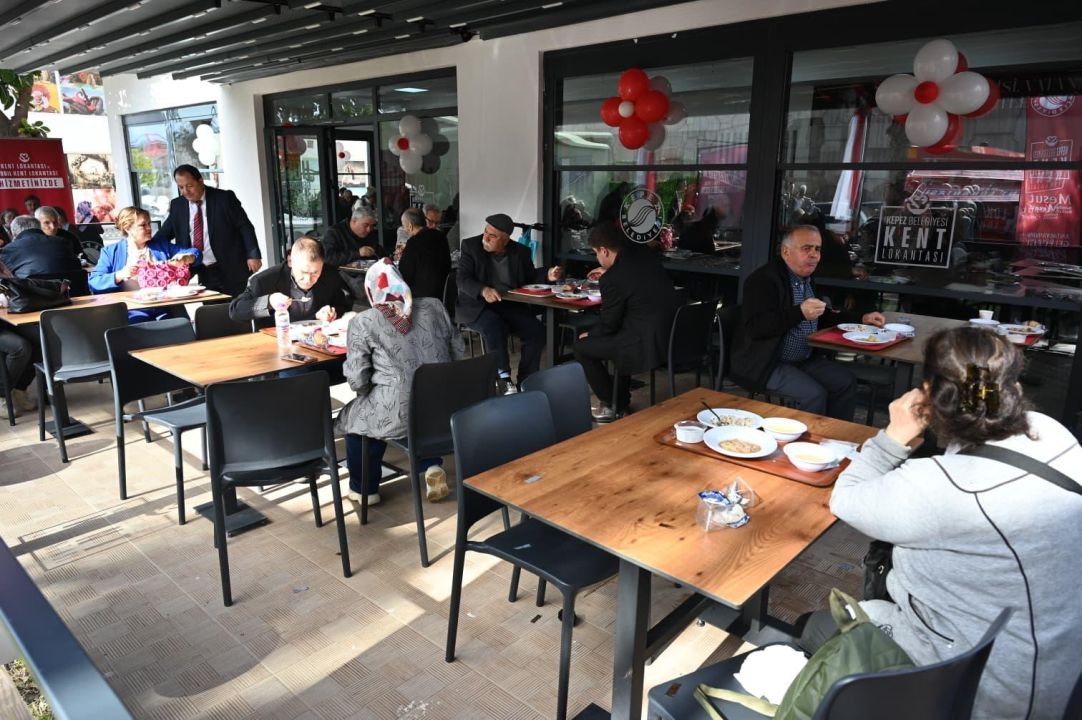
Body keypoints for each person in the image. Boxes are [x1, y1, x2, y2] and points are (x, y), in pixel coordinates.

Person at [820, 327, 1082, 719]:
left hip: (984, 686)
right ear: (1012, 386)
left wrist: (894, 436)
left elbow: (846, 499)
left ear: (927, 392)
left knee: (821, 624)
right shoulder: (1052, 433)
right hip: (1057, 664)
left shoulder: (942, 486)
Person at [335, 259, 465, 505]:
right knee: (414, 416)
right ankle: (431, 465)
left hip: (400, 407)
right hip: (444, 401)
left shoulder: (363, 321)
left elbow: (357, 380)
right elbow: (458, 349)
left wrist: (371, 391)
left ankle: (365, 491)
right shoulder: (434, 306)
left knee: (359, 423)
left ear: (371, 291)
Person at [730, 225, 885, 420]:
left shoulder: (807, 279)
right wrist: (799, 313)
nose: (814, 255)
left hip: (803, 358)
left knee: (845, 382)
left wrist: (862, 318)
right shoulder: (763, 281)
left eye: (817, 249)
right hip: (767, 362)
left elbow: (824, 316)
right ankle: (810, 438)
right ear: (786, 252)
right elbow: (756, 327)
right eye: (806, 248)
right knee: (814, 394)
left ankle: (834, 434)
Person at [573, 223, 679, 421]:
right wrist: (610, 273)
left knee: (582, 346)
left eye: (596, 253)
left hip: (643, 342)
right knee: (617, 336)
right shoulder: (645, 257)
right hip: (669, 334)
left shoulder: (613, 278)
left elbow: (609, 323)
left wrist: (590, 334)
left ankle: (612, 402)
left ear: (604, 250)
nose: (597, 258)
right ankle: (620, 398)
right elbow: (632, 281)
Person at [456, 213, 562, 391]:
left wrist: (548, 275)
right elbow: (462, 279)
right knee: (493, 325)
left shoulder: (520, 252)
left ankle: (527, 380)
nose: (485, 238)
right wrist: (483, 290)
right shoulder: (470, 246)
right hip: (478, 305)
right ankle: (503, 378)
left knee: (536, 331)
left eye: (492, 236)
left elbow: (530, 277)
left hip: (508, 304)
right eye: (485, 232)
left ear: (505, 240)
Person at [152, 164, 262, 296]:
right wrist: (146, 248)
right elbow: (164, 234)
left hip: (231, 265)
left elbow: (244, 226)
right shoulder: (178, 205)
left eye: (189, 186)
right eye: (181, 187)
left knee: (238, 306)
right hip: (202, 269)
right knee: (210, 307)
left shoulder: (224, 198)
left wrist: (253, 255)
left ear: (200, 181)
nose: (185, 191)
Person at [88, 207, 200, 321]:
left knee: (180, 325)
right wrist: (121, 274)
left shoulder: (161, 245)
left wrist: (187, 258)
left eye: (149, 224)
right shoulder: (111, 252)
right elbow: (94, 282)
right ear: (127, 228)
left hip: (167, 306)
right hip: (133, 309)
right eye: (143, 225)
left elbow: (195, 253)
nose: (149, 228)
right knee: (139, 326)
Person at [229, 236, 351, 326]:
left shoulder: (330, 276)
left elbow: (344, 305)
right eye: (303, 272)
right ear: (290, 261)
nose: (308, 280)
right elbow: (235, 311)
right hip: (278, 340)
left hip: (318, 339)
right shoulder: (265, 280)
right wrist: (269, 301)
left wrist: (331, 312)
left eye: (315, 273)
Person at [0, 215, 87, 294]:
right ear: (39, 227)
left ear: (14, 234)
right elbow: (77, 266)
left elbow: (6, 279)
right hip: (72, 295)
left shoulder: (9, 249)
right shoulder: (63, 242)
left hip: (31, 299)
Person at [398, 207, 451, 300]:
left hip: (422, 296)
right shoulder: (441, 236)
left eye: (404, 226)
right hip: (444, 291)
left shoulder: (413, 243)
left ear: (410, 226)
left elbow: (405, 274)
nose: (404, 229)